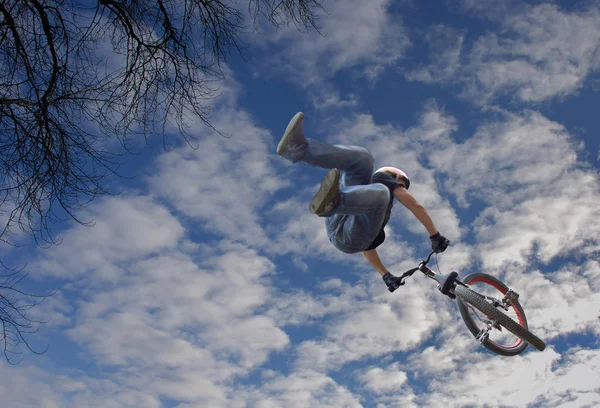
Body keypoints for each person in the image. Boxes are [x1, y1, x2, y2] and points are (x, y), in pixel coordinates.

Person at [277, 112, 450, 292]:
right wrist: (435, 236)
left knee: (363, 159)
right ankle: (300, 151)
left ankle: (301, 152)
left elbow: (366, 247)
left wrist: (386, 275)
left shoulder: (371, 201)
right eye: (402, 185)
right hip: (344, 227)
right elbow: (416, 206)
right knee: (378, 187)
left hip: (342, 226)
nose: (401, 189)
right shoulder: (385, 183)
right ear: (399, 179)